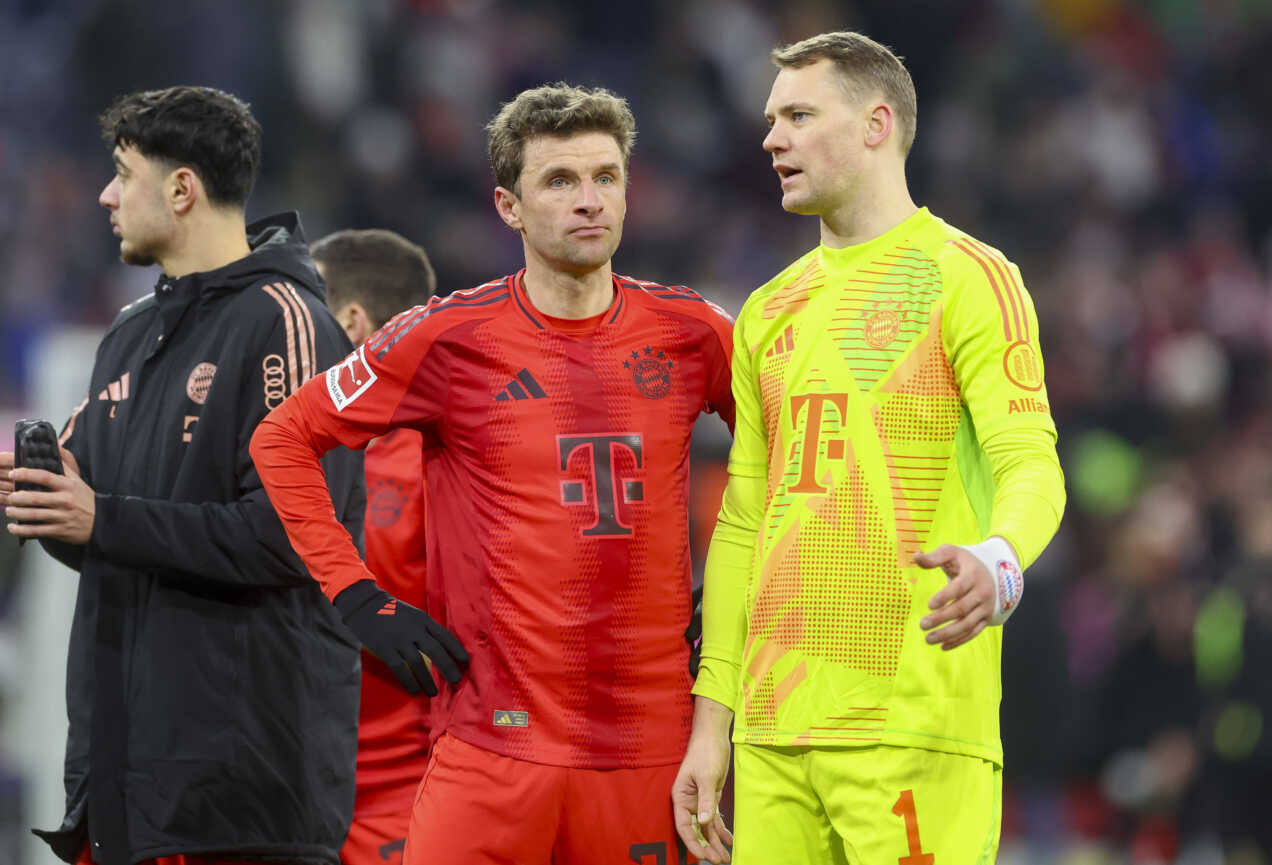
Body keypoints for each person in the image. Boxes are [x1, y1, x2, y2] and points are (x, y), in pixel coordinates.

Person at [250, 83, 735, 865]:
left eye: (606, 177)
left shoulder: (694, 332)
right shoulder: (446, 337)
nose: (589, 201)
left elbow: (791, 462)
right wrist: (355, 594)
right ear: (507, 206)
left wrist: (744, 593)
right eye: (560, 181)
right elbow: (283, 438)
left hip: (649, 749)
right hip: (490, 747)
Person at [671, 31, 1067, 865]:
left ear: (876, 123)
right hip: (775, 732)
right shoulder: (769, 311)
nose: (772, 138)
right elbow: (743, 526)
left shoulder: (967, 274)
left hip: (910, 723)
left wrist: (1001, 559)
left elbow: (1029, 458)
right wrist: (714, 722)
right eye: (771, 119)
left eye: (799, 115)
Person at [0, 85, 366, 865]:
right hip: (127, 790)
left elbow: (296, 535)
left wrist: (101, 517)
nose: (106, 194)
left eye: (123, 174)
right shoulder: (129, 335)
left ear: (181, 188)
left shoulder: (287, 321)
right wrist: (53, 502)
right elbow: (107, 529)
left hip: (242, 799)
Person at [309, 228, 439, 865]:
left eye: (309, 315)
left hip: (400, 803)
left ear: (353, 323)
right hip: (303, 801)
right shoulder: (306, 455)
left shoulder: (432, 463)